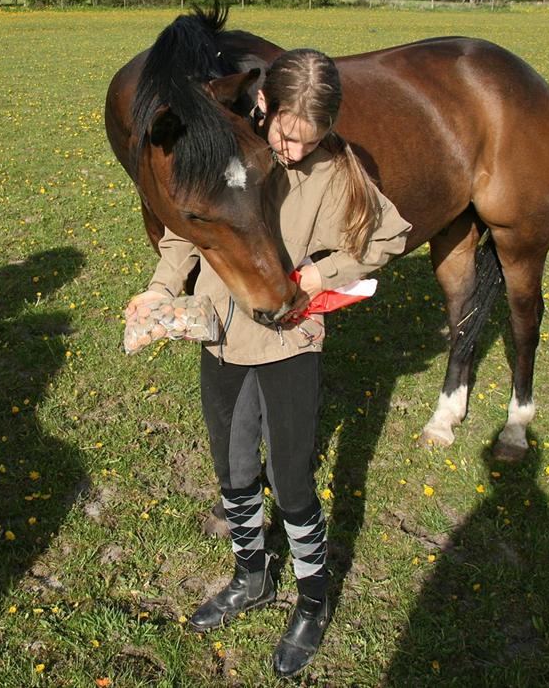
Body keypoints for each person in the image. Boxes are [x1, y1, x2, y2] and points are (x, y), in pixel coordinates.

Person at [125, 48, 412, 677]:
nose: (293, 150)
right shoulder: (228, 148)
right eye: (285, 133)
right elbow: (186, 228)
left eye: (310, 138)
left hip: (289, 341)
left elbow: (389, 236)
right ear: (264, 106)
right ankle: (251, 575)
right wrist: (161, 288)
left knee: (292, 480)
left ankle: (312, 599)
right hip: (222, 337)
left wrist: (318, 275)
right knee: (232, 469)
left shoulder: (332, 170)